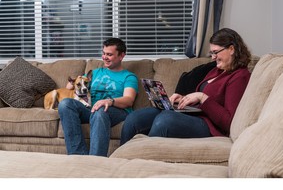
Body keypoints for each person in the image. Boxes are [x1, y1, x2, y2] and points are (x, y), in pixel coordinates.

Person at [120, 28, 251, 145]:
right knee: (135, 118)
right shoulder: (216, 71)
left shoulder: (239, 76)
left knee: (165, 120)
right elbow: (202, 98)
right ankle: (120, 163)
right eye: (211, 53)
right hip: (194, 114)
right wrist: (183, 98)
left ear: (232, 49)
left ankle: (144, 161)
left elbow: (229, 122)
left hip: (210, 126)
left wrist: (202, 97)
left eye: (216, 52)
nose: (213, 57)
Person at [58, 37, 138, 156]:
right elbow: (70, 87)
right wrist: (75, 81)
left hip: (115, 110)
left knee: (100, 110)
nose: (104, 57)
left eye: (109, 54)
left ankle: (96, 160)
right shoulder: (95, 73)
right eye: (104, 53)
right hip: (91, 109)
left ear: (121, 56)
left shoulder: (128, 77)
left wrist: (109, 101)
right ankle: (77, 156)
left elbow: (129, 100)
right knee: (65, 104)